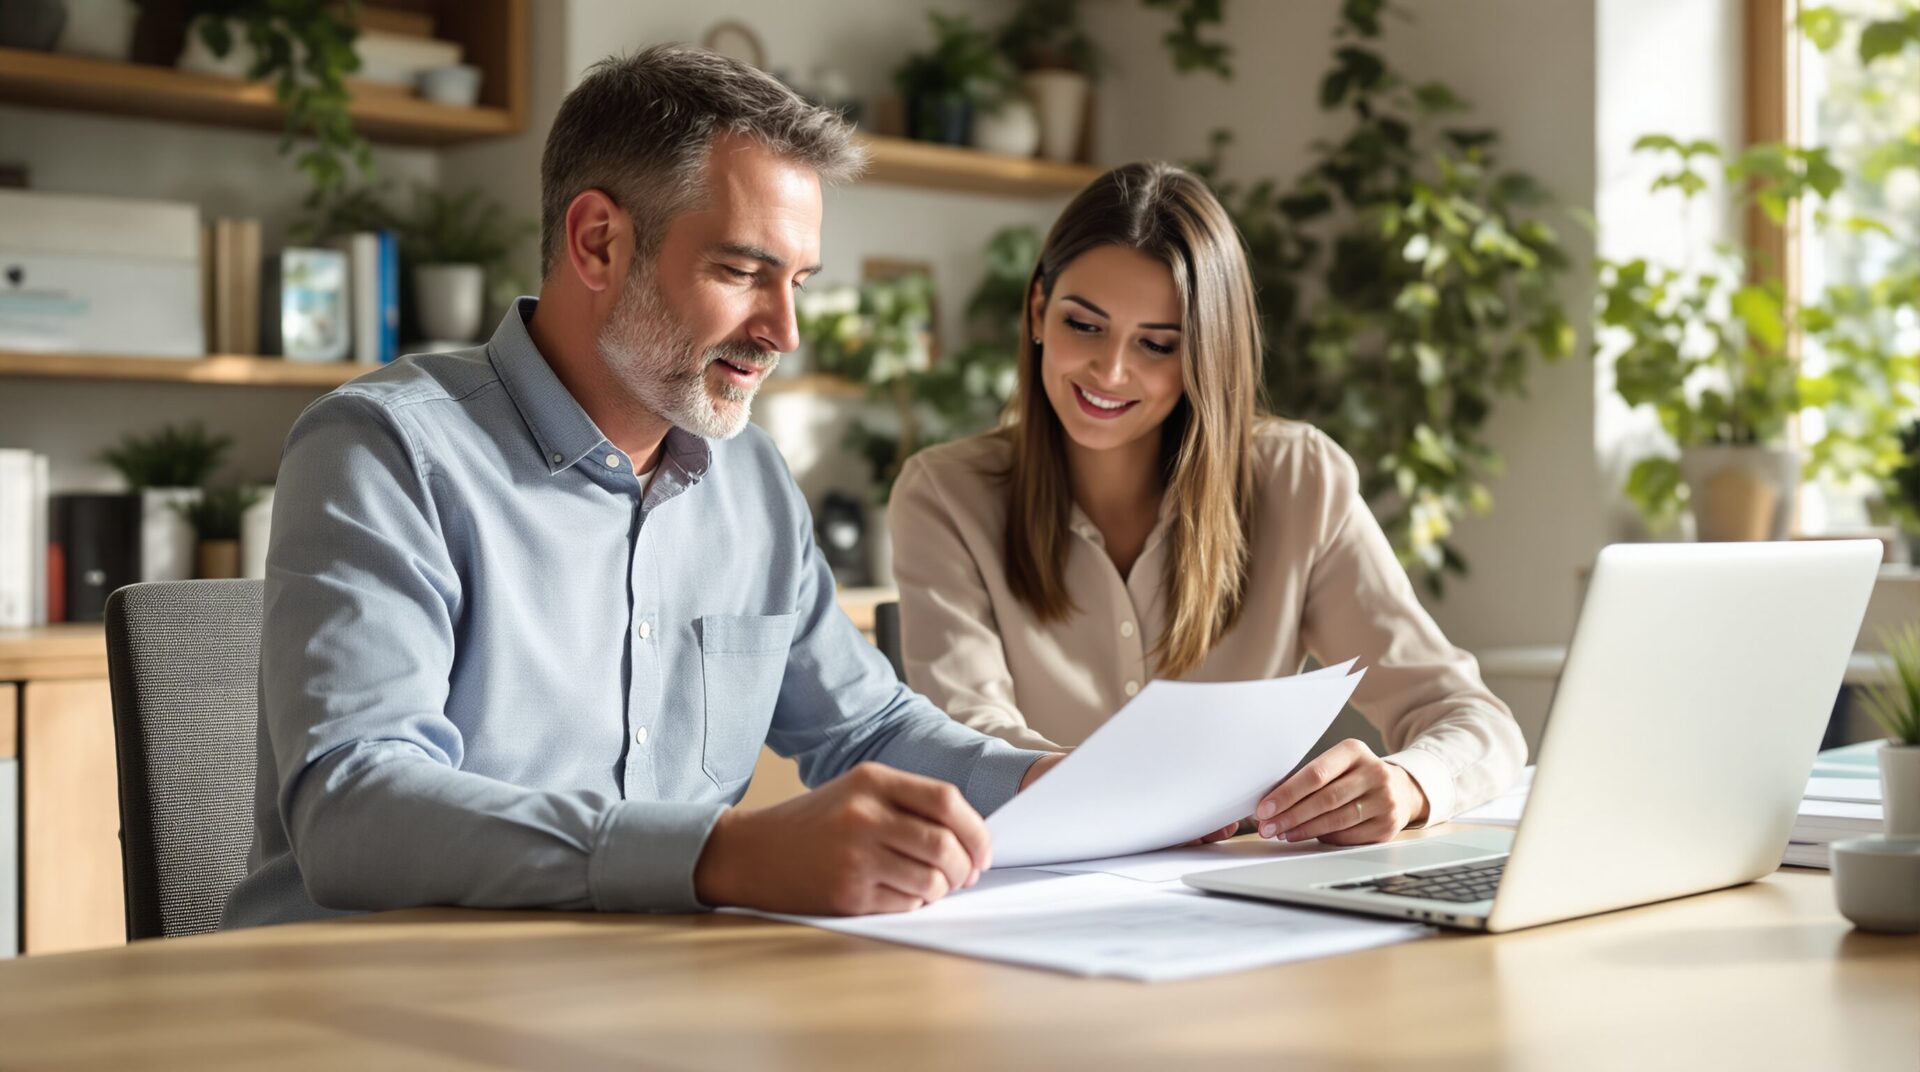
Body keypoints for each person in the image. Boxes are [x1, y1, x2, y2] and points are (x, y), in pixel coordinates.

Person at [222, 45, 1070, 929]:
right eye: (744, 272)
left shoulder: (752, 483)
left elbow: (867, 730)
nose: (784, 329)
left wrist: (1072, 787)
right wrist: (725, 855)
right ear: (599, 243)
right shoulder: (384, 449)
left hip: (647, 996)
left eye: (799, 283)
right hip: (368, 1009)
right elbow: (357, 811)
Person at [889, 162, 1525, 847]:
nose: (1110, 372)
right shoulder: (945, 495)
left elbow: (1470, 718)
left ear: (1204, 352)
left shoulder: (1298, 479)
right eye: (1085, 325)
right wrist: (1121, 798)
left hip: (1243, 908)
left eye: (1157, 344)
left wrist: (1409, 783)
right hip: (1033, 897)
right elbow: (968, 745)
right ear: (1039, 312)